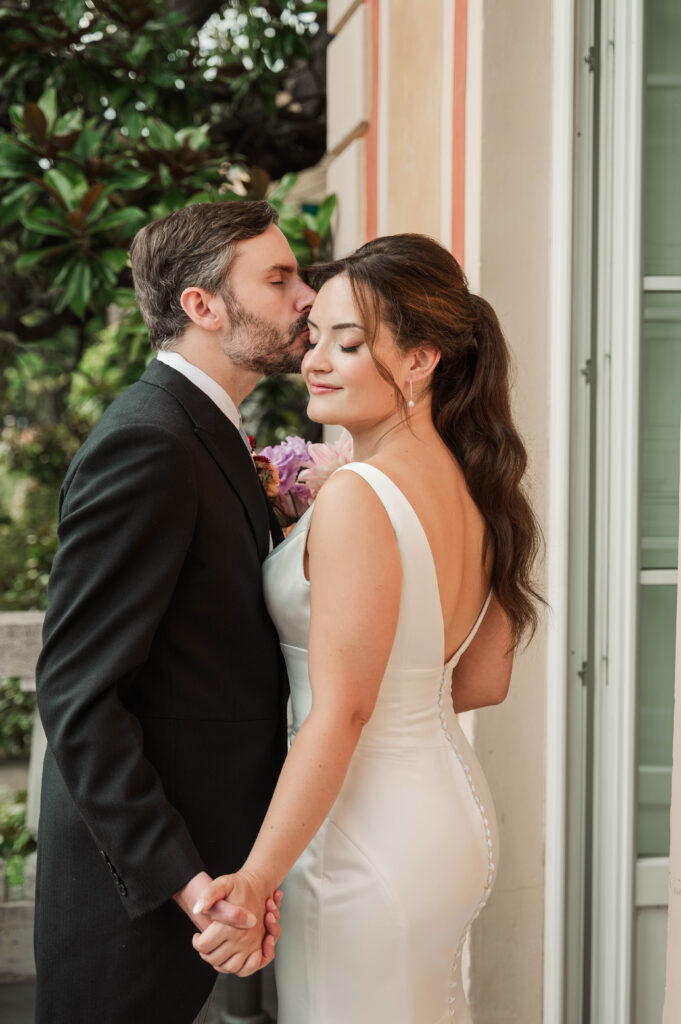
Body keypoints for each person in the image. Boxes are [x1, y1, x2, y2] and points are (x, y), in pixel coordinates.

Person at [191, 233, 543, 1023]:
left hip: (360, 831)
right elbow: (482, 680)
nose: (314, 359)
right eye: (315, 336)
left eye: (346, 343)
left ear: (420, 360)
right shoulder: (477, 486)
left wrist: (253, 878)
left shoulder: (358, 496)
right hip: (448, 817)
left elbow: (342, 713)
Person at [33, 200, 316, 1024]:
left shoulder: (209, 433)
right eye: (278, 278)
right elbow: (80, 697)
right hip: (137, 897)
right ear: (201, 306)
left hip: (208, 868)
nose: (306, 297)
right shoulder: (150, 442)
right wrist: (186, 883)